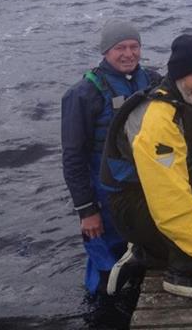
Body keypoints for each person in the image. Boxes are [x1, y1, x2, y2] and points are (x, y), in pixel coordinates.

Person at [101, 35, 192, 302]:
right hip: (135, 203)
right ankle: (182, 274)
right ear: (180, 72)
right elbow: (168, 201)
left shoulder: (178, 97)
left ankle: (146, 253)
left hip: (155, 196)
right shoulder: (158, 119)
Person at [61, 20, 160, 299]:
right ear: (106, 51)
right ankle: (101, 309)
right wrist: (86, 210)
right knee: (108, 274)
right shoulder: (83, 94)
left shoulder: (153, 81)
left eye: (134, 47)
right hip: (104, 196)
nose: (128, 54)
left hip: (144, 189)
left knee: (143, 258)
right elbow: (72, 158)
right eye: (120, 48)